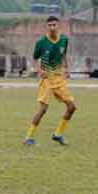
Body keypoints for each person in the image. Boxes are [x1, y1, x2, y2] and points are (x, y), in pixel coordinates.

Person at [24, 16, 77, 146]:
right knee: (43, 109)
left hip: (58, 78)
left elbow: (63, 55)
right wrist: (39, 70)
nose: (52, 27)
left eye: (54, 25)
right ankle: (28, 137)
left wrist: (67, 69)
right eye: (50, 25)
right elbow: (35, 58)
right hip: (47, 79)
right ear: (47, 26)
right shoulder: (41, 42)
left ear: (58, 25)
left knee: (72, 107)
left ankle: (58, 134)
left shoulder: (64, 39)